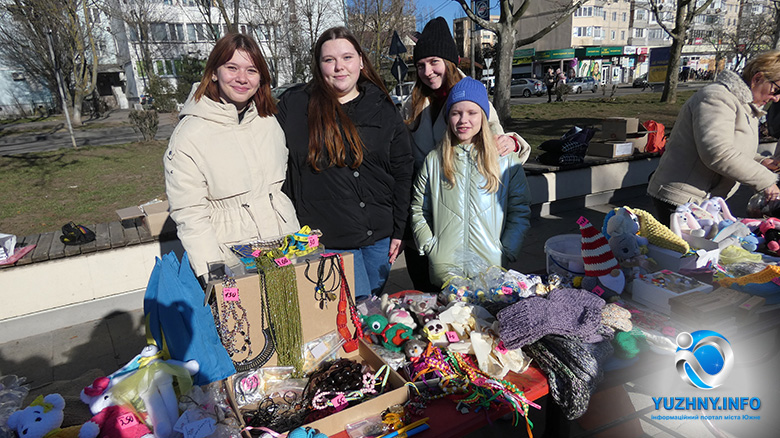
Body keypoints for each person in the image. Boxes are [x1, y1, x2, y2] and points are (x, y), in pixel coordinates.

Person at [277, 27, 414, 299]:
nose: (339, 67)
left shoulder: (382, 106)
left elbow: (402, 170)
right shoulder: (296, 106)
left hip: (379, 237)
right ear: (318, 66)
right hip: (330, 237)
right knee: (355, 312)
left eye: (347, 57)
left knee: (373, 311)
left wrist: (399, 229)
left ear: (361, 61)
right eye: (329, 60)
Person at [401, 16, 530, 291]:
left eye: (434, 62)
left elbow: (496, 139)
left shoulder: (471, 96)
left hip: (473, 227)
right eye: (421, 65)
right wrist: (426, 239)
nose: (427, 71)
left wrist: (515, 144)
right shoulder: (412, 104)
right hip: (427, 228)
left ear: (449, 62)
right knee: (428, 302)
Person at [164, 33, 300, 282]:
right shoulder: (190, 135)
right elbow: (190, 214)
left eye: (251, 70)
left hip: (284, 250)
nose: (242, 78)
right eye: (232, 67)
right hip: (233, 261)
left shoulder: (267, 122)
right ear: (214, 72)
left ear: (260, 78)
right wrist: (215, 276)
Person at [647, 50, 780, 226]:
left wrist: (762, 161)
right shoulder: (717, 97)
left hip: (701, 200)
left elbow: (731, 146)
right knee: (685, 253)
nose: (777, 99)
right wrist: (767, 181)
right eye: (776, 90)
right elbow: (716, 152)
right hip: (681, 199)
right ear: (757, 78)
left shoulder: (743, 105)